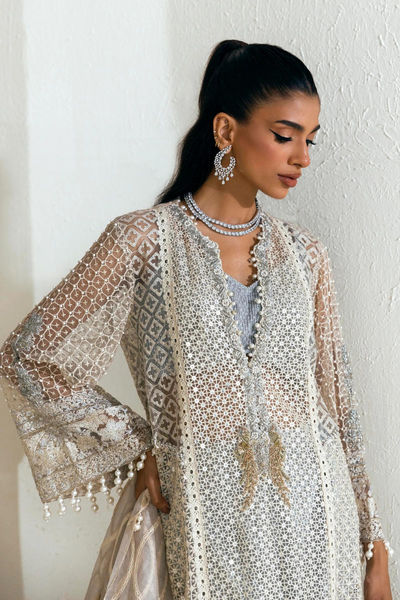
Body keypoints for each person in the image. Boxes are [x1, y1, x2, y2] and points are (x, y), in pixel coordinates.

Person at [0, 39, 394, 599]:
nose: (302, 157)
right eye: (285, 135)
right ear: (226, 130)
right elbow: (28, 355)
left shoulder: (305, 255)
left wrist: (374, 545)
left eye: (309, 139)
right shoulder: (142, 241)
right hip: (203, 520)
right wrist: (137, 447)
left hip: (318, 524)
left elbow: (338, 402)